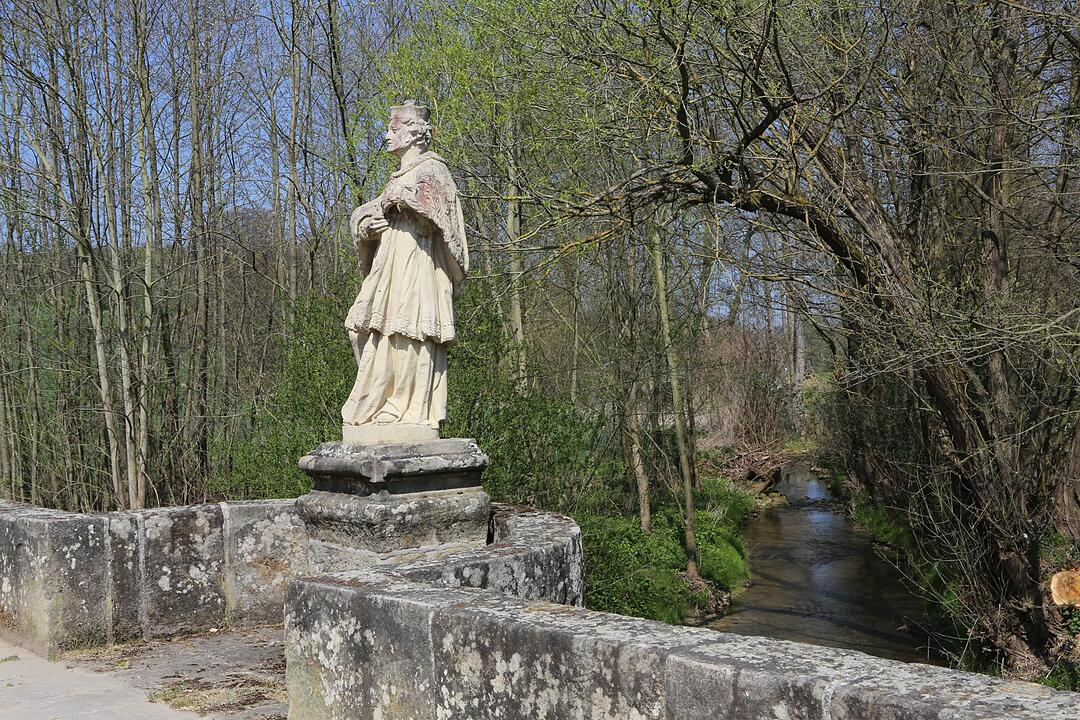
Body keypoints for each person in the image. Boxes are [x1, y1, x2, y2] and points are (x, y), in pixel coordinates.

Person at [341, 101, 468, 444]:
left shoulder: (434, 170)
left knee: (409, 331)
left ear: (413, 134)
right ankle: (378, 402)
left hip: (418, 265)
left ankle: (407, 409)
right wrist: (367, 227)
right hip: (390, 266)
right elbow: (368, 216)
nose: (386, 135)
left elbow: (444, 220)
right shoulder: (396, 179)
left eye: (393, 129)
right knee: (362, 328)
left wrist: (409, 202)